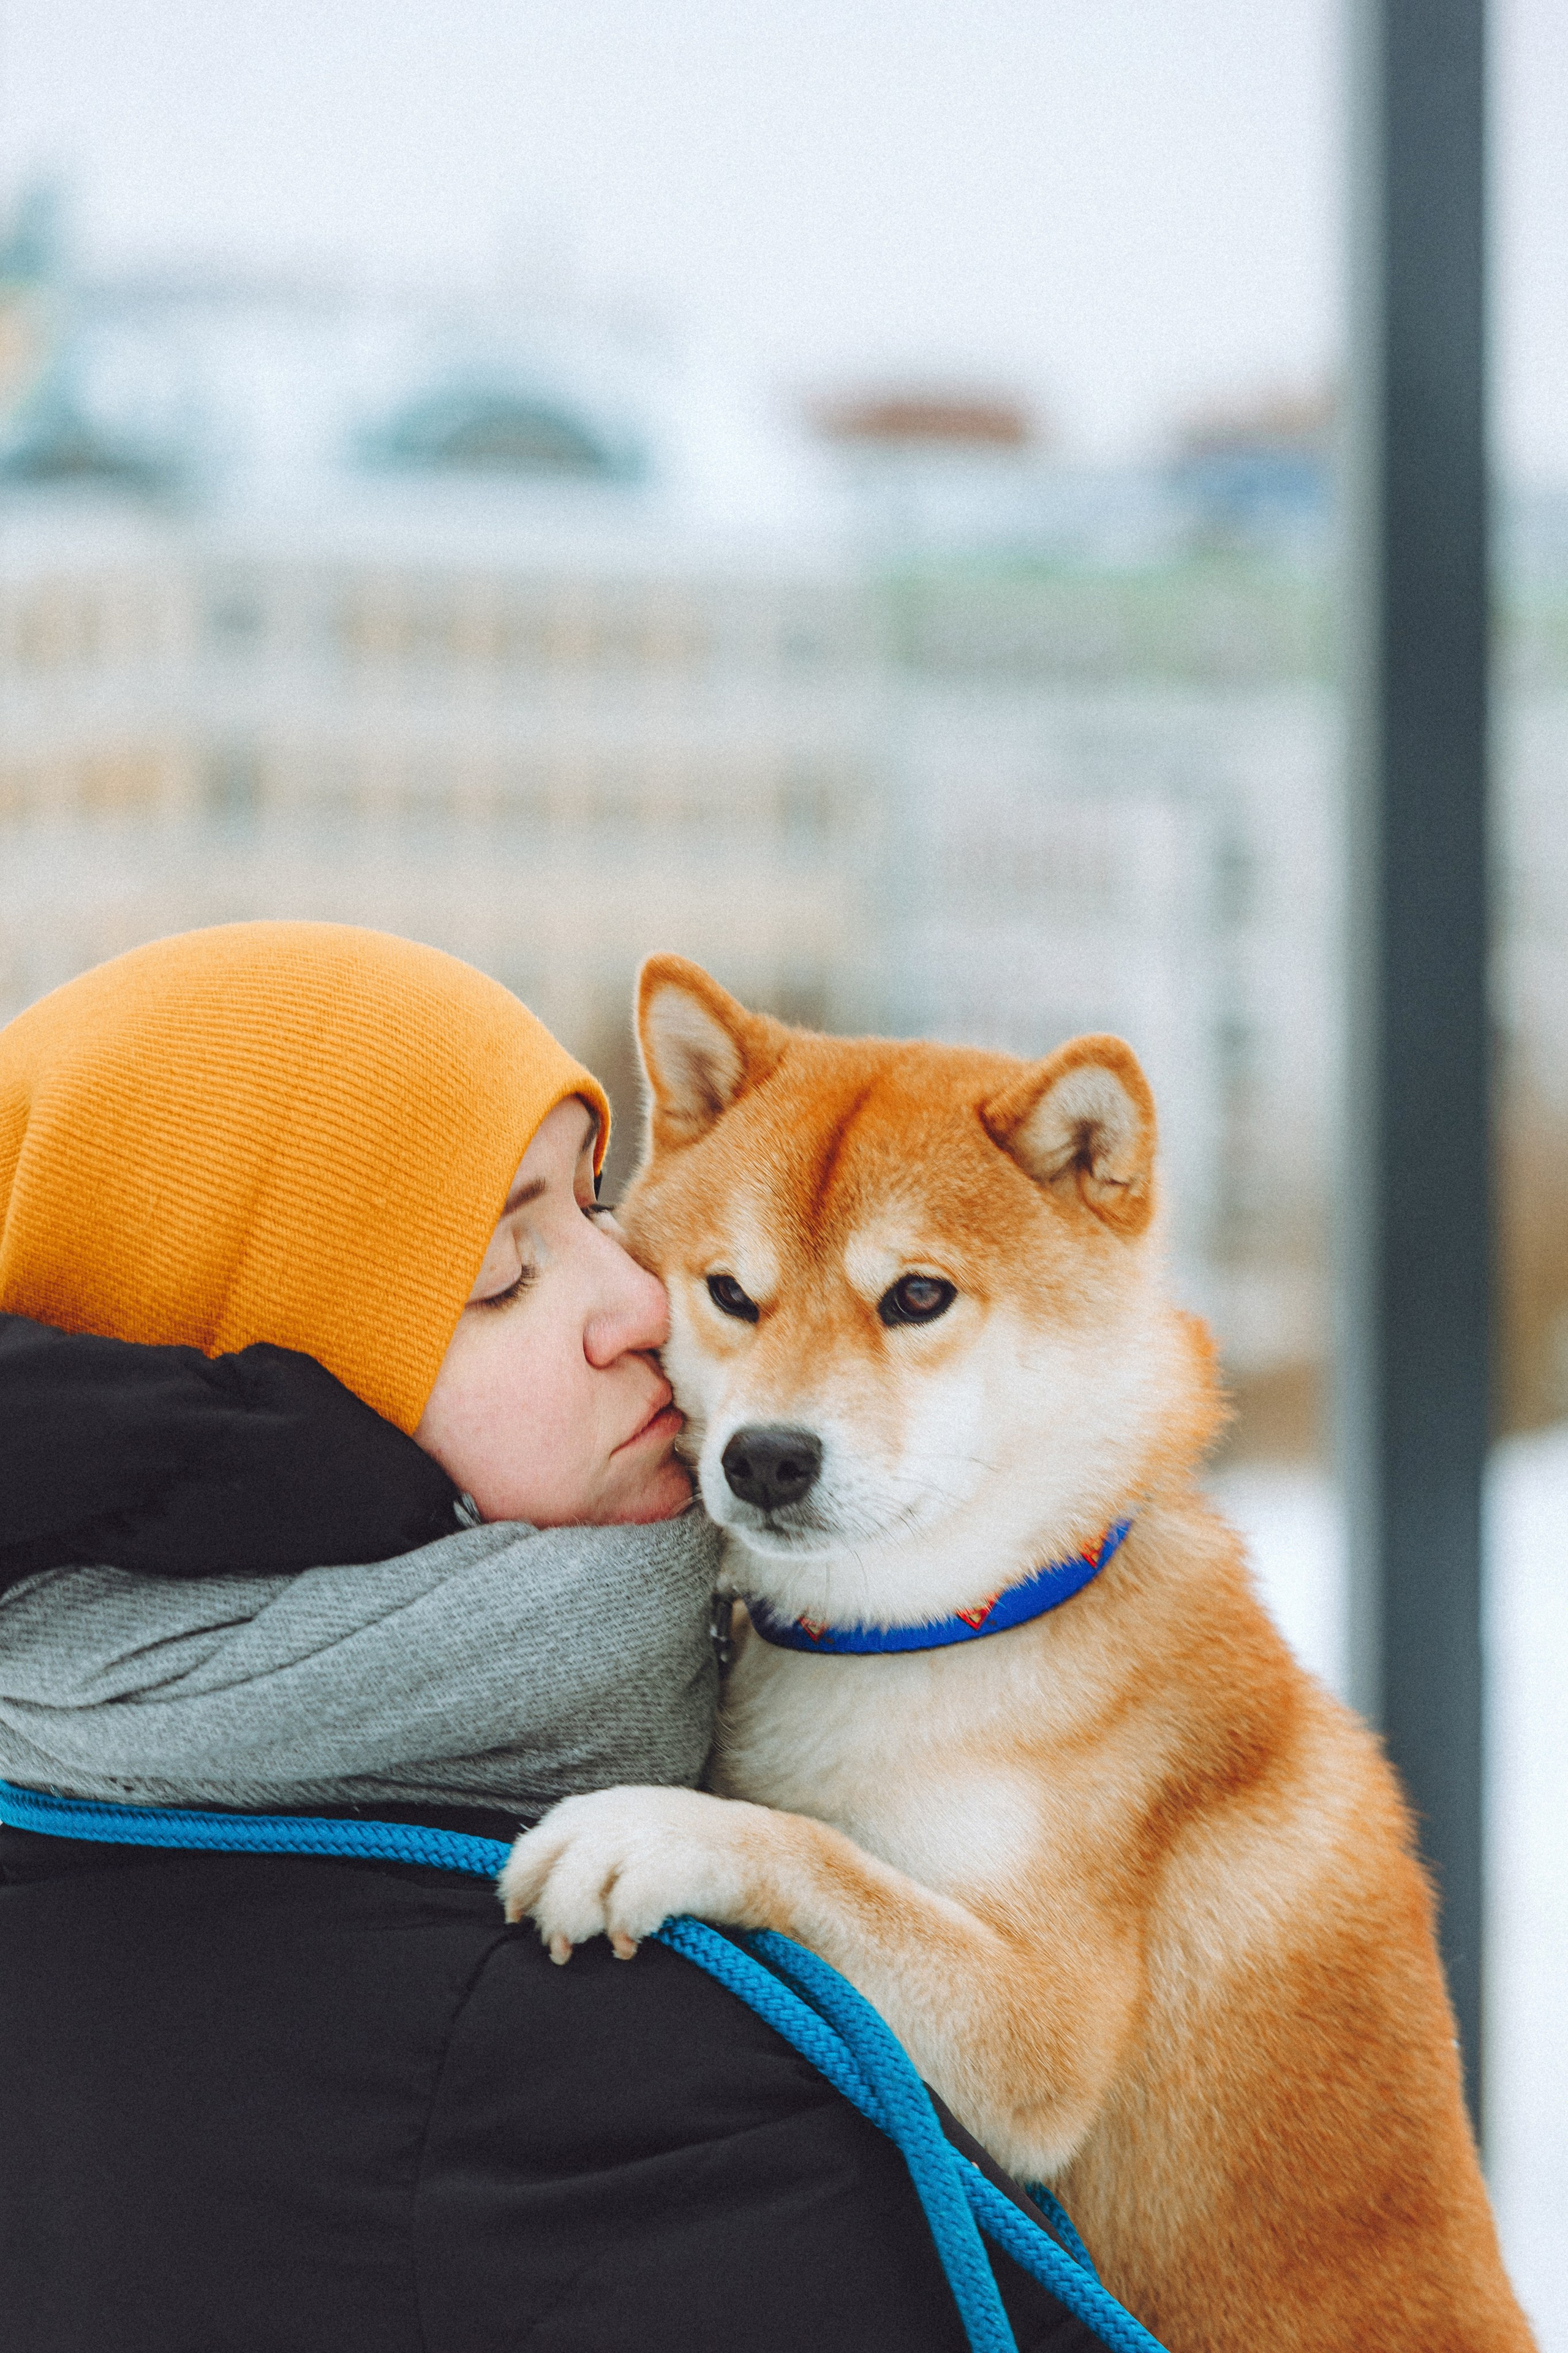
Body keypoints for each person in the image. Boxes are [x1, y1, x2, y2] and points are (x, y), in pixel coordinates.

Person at [0, 922, 1090, 2353]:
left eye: (593, 1200)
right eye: (509, 1270)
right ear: (279, 1421)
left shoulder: (79, 1832)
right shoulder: (596, 2059)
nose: (642, 1296)